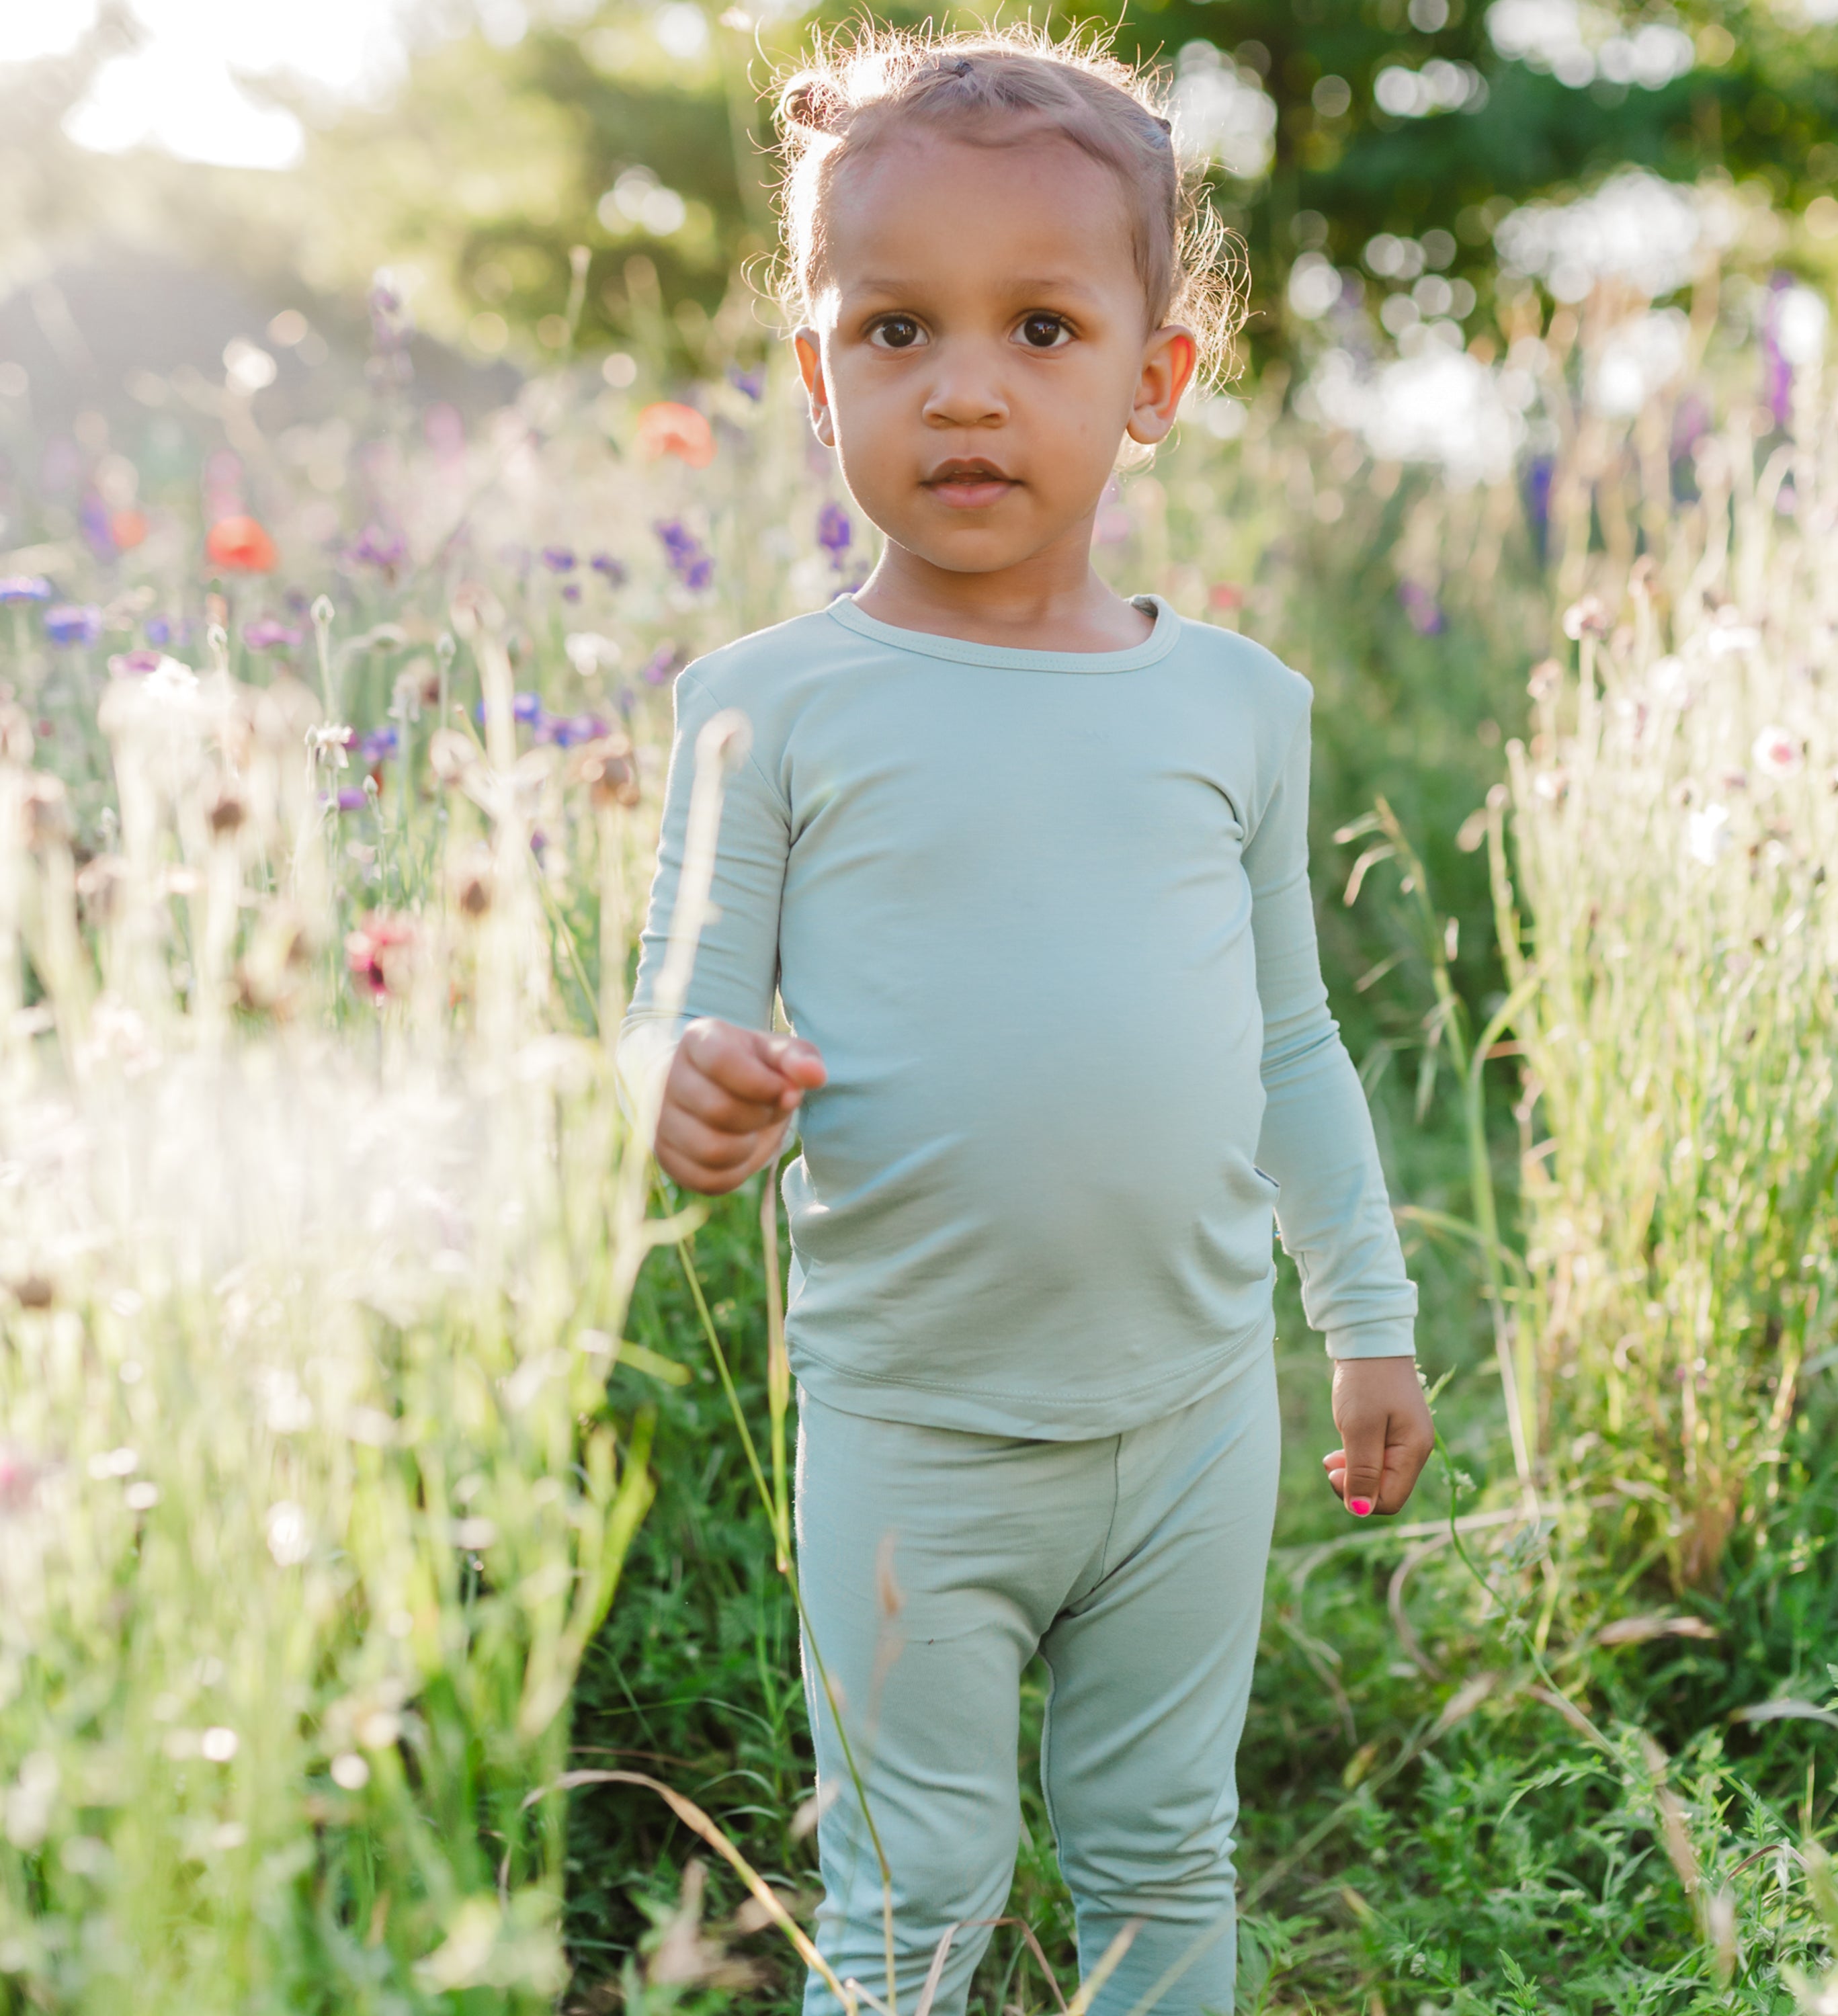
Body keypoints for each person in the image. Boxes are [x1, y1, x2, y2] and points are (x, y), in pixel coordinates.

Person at [620, 26, 1435, 2015]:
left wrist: (1369, 1314)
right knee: (915, 1888)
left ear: (1155, 380)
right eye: (896, 330)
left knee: (1169, 1856)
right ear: (818, 382)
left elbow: (1288, 1040)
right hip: (915, 1429)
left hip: (1191, 1416)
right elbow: (673, 1020)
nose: (966, 386)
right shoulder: (769, 704)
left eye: (1044, 327)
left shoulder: (1237, 704)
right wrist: (686, 1091)